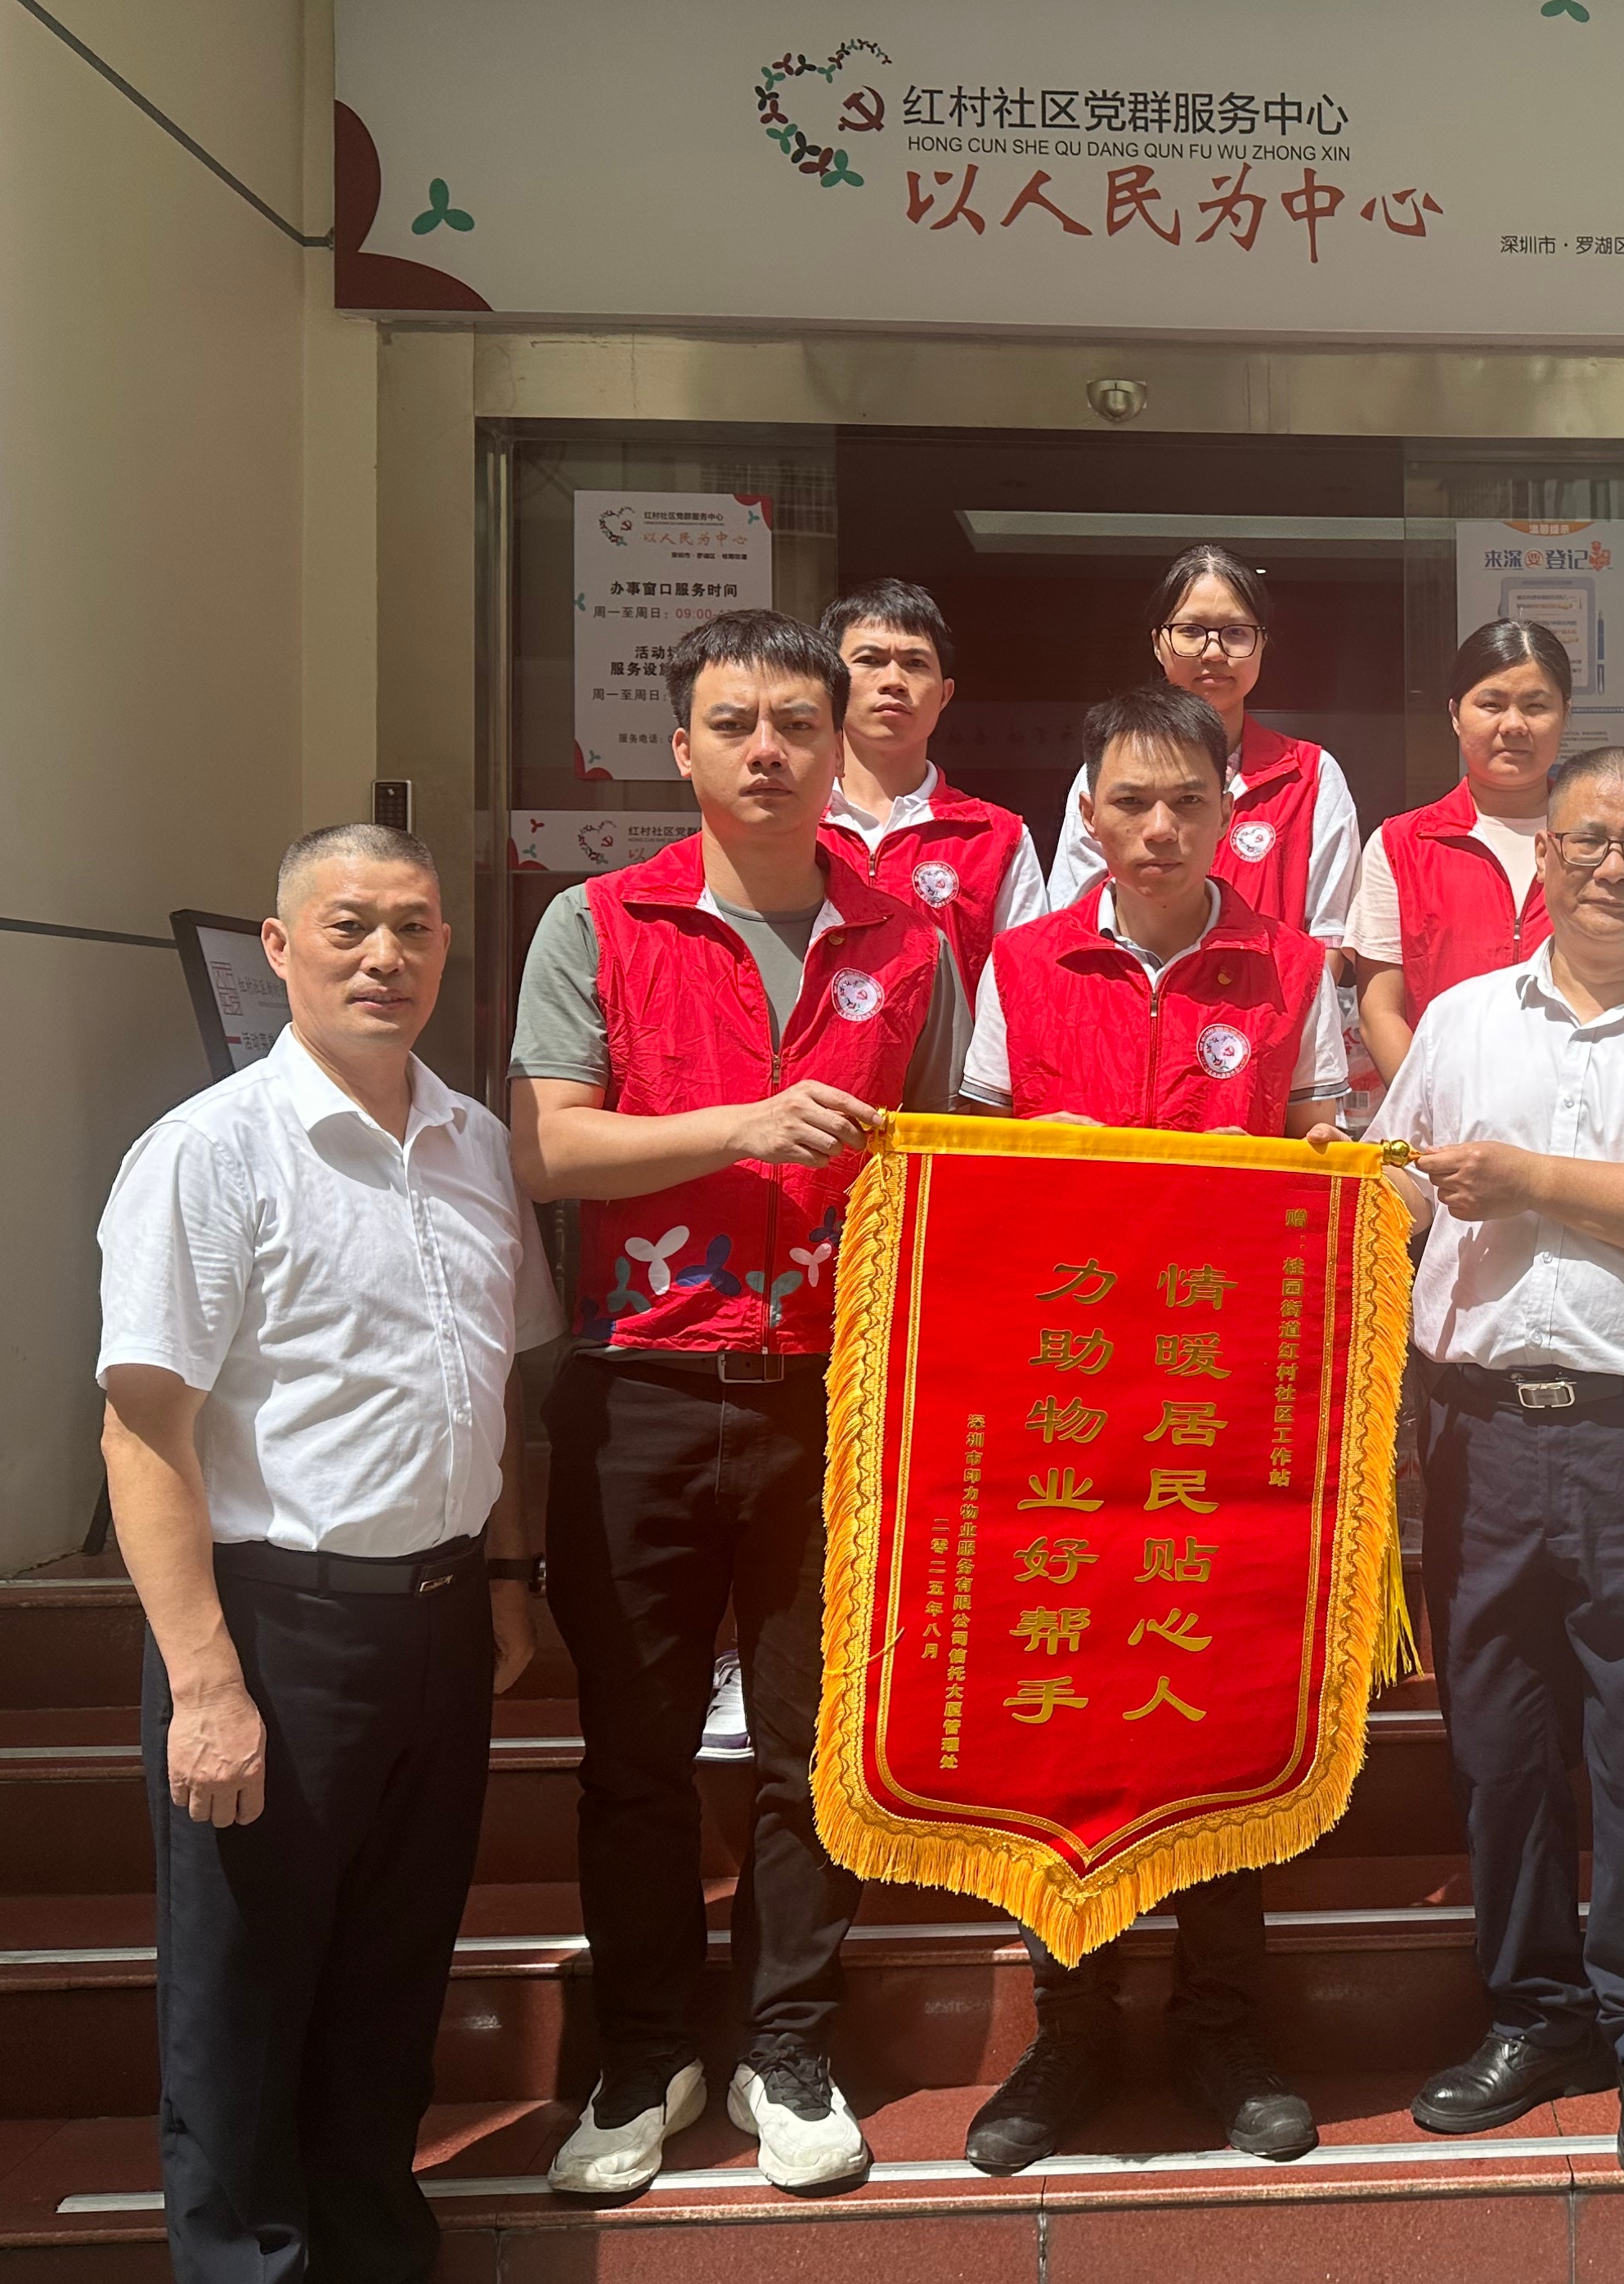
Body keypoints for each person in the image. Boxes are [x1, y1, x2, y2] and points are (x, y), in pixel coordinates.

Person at [509, 608, 967, 2199]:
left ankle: (786, 2043)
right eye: (733, 723)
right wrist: (744, 1124)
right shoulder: (598, 921)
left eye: (794, 723)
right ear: (681, 746)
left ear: (842, 745)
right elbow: (548, 1148)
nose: (766, 749)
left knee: (809, 1748)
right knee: (633, 1754)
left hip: (835, 1400)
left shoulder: (909, 942)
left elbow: (941, 1169)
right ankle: (646, 2053)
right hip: (637, 1386)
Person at [96, 824, 557, 2283]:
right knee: (243, 1996)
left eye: (413, 927)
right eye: (349, 926)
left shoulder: (474, 1143)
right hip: (274, 1626)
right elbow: (142, 1433)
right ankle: (248, 2261)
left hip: (438, 1619)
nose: (385, 957)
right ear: (280, 948)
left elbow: (503, 1383)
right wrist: (205, 1683)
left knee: (390, 1971)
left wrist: (505, 1577)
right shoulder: (210, 1151)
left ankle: (372, 2241)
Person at [1362, 747, 1624, 2188]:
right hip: (1480, 1431)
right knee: (1497, 1740)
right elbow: (1397, 1193)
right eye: (1589, 839)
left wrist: (1531, 1178)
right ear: (1541, 857)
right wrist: (1319, 1179)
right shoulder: (1463, 1019)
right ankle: (1533, 2012)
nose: (1616, 865)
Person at [953, 682, 1344, 2178]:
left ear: (1232, 812)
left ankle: (1222, 2026)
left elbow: (1324, 1147)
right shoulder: (1022, 960)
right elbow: (967, 1169)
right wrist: (1022, 1155)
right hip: (1061, 1405)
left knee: (1218, 1698)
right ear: (1090, 814)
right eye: (1132, 801)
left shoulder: (1292, 966)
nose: (1162, 826)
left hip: (1226, 1405)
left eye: (1189, 800)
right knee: (1063, 1707)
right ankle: (1071, 2028)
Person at [1045, 544, 1358, 961]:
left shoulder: (1311, 776)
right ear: (1158, 644)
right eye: (1191, 631)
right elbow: (1072, 921)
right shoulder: (1104, 775)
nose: (1214, 652)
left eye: (1236, 632)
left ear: (1262, 644)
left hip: (1270, 1001)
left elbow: (1329, 942)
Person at [1344, 618, 1572, 1084]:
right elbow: (1379, 1012)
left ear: (1565, 715)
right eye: (1491, 704)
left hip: (1585, 1107)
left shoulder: (1602, 844)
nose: (1514, 725)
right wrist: (1432, 1108)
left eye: (1536, 706)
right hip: (1444, 1112)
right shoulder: (1401, 845)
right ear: (1455, 714)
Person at [819, 577, 1048, 975]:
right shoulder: (790, 825)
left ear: (945, 694)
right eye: (870, 660)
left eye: (915, 663)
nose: (893, 681)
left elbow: (1024, 985)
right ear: (831, 685)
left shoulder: (997, 839)